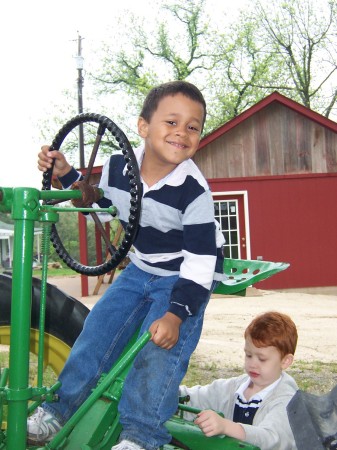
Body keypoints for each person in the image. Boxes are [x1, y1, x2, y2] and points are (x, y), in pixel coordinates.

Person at [28, 80, 225, 450]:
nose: (181, 132)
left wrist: (176, 314)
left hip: (186, 272)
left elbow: (201, 262)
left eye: (193, 126)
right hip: (141, 265)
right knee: (97, 329)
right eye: (171, 122)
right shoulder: (120, 165)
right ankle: (61, 410)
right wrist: (67, 175)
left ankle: (140, 436)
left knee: (158, 349)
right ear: (143, 127)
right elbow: (105, 206)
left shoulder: (193, 190)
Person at [179, 311, 299, 450]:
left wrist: (226, 427)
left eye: (262, 359)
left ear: (285, 361)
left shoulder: (288, 401)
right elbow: (197, 397)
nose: (253, 364)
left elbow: (271, 438)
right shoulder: (234, 388)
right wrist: (170, 393)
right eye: (248, 355)